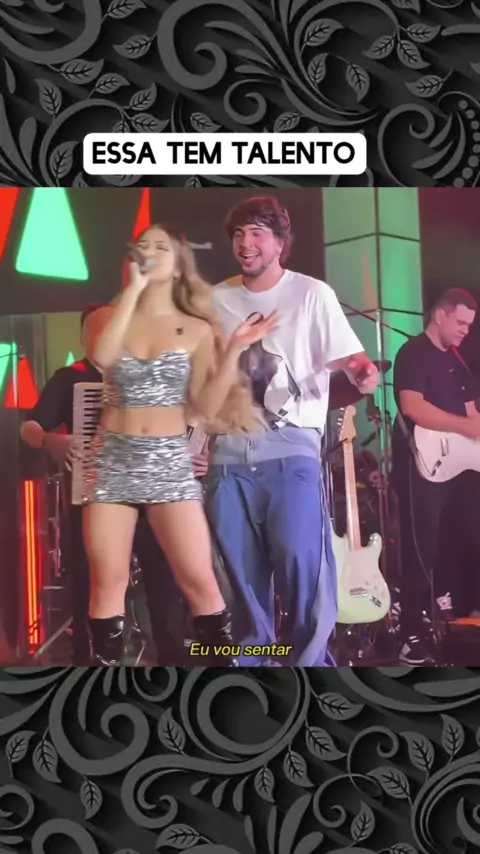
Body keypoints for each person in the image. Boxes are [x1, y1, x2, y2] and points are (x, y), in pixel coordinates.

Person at [83, 224, 277, 666]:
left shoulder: (196, 329)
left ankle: (226, 681)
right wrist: (133, 293)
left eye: (160, 247)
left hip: (169, 461)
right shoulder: (106, 319)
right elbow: (103, 357)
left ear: (176, 267)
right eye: (142, 246)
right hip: (113, 460)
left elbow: (204, 408)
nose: (149, 252)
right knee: (108, 581)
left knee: (200, 581)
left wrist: (234, 350)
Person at [205, 196, 379, 667]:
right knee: (240, 582)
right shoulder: (215, 300)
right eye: (239, 234)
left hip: (291, 452)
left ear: (281, 243)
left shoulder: (311, 294)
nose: (246, 243)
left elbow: (351, 359)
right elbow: (203, 380)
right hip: (228, 458)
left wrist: (363, 371)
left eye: (257, 233)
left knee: (303, 569)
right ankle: (250, 676)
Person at [20, 304, 207, 665]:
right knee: (92, 583)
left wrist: (196, 458)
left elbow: (190, 425)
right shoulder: (70, 378)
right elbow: (29, 427)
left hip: (155, 500)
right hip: (96, 498)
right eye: (102, 329)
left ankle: (173, 663)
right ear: (84, 337)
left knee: (166, 582)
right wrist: (48, 440)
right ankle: (91, 663)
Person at [392, 287, 480, 665]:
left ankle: (453, 613)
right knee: (420, 549)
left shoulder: (458, 361)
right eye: (460, 322)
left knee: (464, 537)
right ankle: (410, 633)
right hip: (421, 466)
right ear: (440, 315)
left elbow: (472, 414)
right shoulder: (413, 352)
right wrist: (464, 426)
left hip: (458, 469)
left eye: (469, 325)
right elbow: (412, 407)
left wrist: (471, 425)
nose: (465, 331)